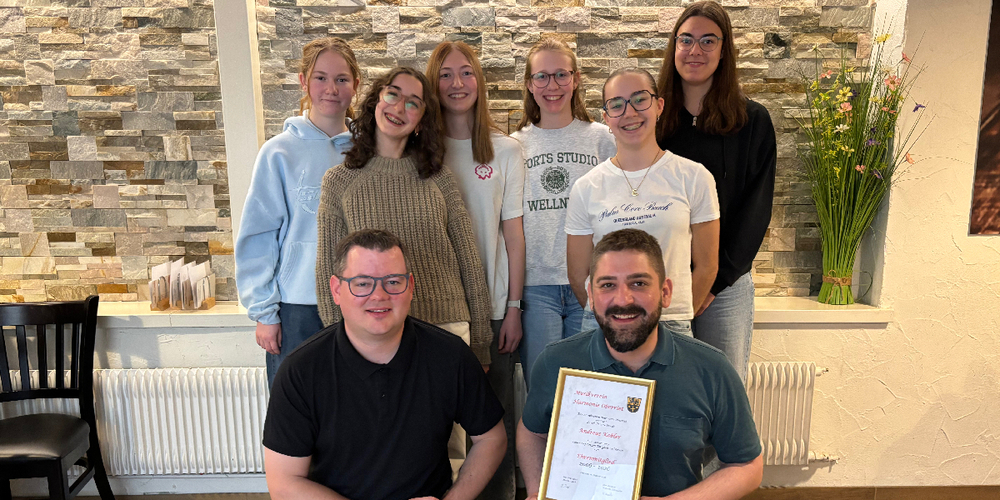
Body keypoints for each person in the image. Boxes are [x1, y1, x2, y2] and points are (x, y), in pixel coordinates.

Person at [517, 229, 763, 499]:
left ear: (665, 292)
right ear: (591, 294)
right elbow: (533, 433)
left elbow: (747, 465)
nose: (623, 300)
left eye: (639, 283)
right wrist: (537, 490)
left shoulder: (712, 369)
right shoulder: (556, 362)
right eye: (607, 284)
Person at [264, 229, 506, 500]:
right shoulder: (300, 371)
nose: (379, 295)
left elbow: (491, 439)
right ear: (336, 290)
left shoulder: (450, 355)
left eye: (393, 281)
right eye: (362, 283)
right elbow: (284, 482)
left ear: (410, 287)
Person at [314, 66, 492, 365]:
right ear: (376, 103)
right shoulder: (339, 181)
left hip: (446, 328)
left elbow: (468, 261)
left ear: (421, 120)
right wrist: (338, 338)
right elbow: (327, 270)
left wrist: (482, 342)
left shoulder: (440, 179)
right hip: (372, 331)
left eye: (413, 103)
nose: (399, 108)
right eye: (392, 95)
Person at [656, 0, 777, 381]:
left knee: (721, 396)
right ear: (673, 46)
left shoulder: (752, 120)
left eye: (708, 41)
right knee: (664, 395)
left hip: (724, 288)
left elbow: (755, 211)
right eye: (686, 39)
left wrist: (715, 280)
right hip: (663, 282)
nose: (695, 51)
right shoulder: (653, 119)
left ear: (725, 50)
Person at [427, 41, 525, 500]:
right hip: (439, 311)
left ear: (479, 82)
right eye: (445, 74)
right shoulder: (420, 151)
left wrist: (513, 308)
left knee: (494, 422)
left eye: (465, 73)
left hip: (491, 309)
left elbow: (513, 236)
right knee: (436, 426)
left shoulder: (505, 152)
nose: (457, 83)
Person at [235, 37, 360, 386]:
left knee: (354, 415)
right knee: (295, 416)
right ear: (303, 81)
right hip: (297, 308)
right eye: (320, 78)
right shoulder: (278, 153)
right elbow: (258, 234)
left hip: (358, 301)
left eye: (341, 79)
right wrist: (264, 312)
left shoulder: (369, 150)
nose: (331, 89)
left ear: (356, 85)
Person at [566, 68, 720, 334]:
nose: (629, 112)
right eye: (617, 105)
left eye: (639, 99)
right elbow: (579, 275)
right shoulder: (586, 188)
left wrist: (677, 312)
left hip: (671, 322)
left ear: (659, 106)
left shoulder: (694, 177)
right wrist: (608, 316)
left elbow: (707, 265)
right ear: (606, 118)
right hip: (606, 324)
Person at [511, 37, 617, 384]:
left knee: (586, 387)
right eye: (541, 77)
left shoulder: (603, 139)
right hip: (536, 285)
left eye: (560, 75)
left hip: (589, 282)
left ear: (576, 79)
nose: (551, 85)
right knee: (542, 387)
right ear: (529, 84)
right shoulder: (515, 145)